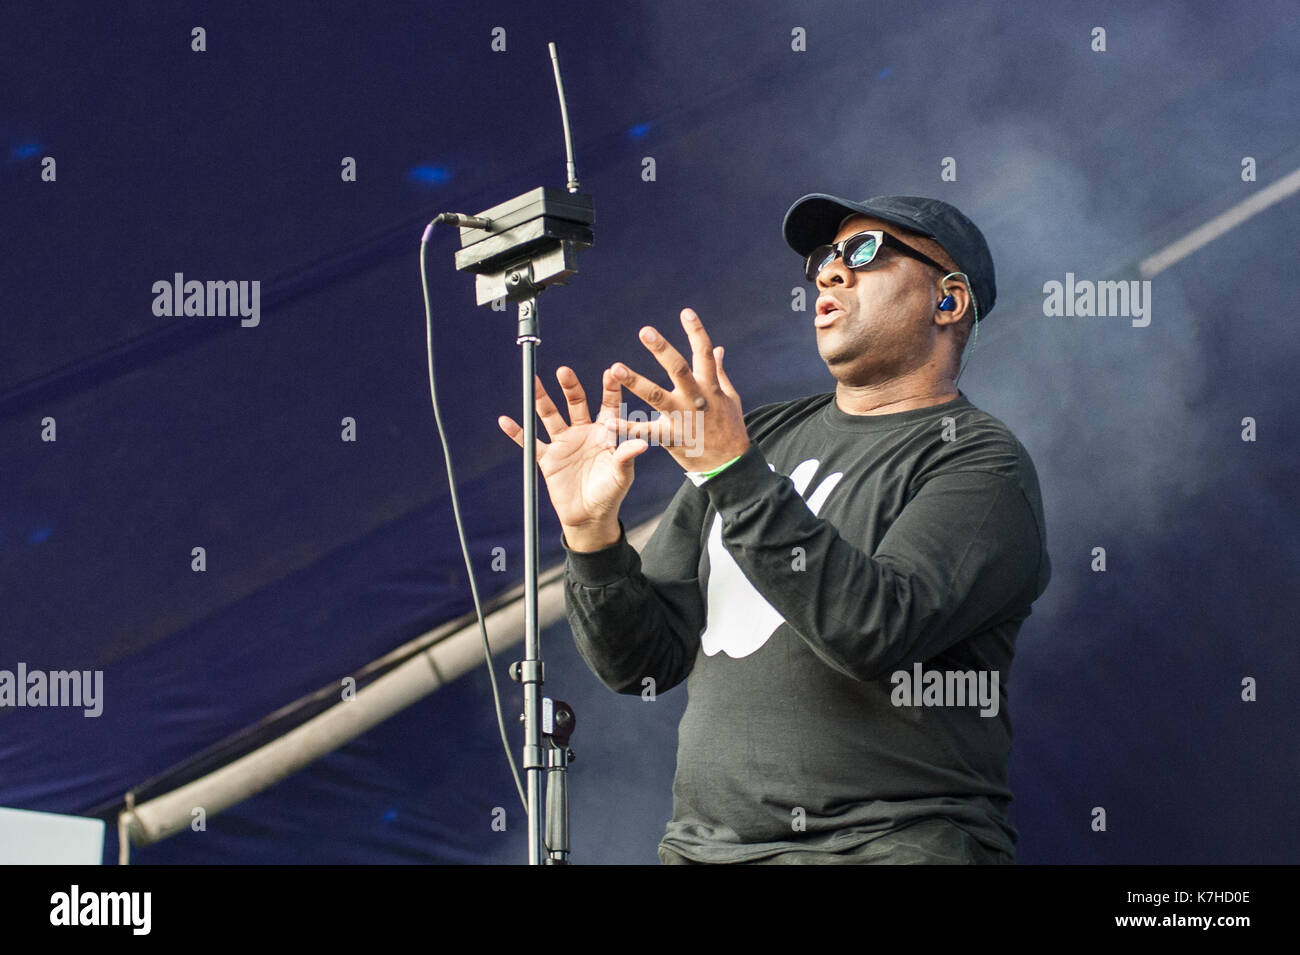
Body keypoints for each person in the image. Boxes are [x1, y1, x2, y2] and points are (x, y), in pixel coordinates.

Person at [497, 193, 1051, 864]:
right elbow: (641, 661)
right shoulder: (761, 435)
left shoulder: (980, 461)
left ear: (949, 300)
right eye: (824, 258)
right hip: (703, 852)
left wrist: (731, 468)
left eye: (865, 252)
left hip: (884, 847)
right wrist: (592, 538)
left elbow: (874, 628)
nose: (829, 272)